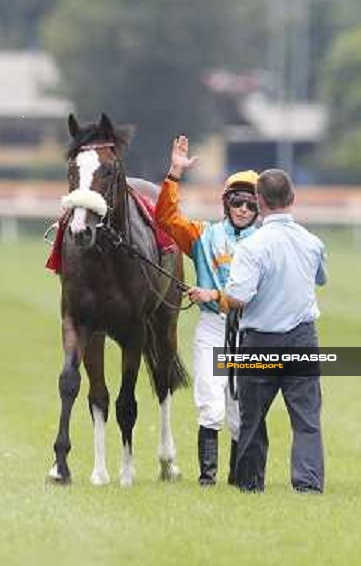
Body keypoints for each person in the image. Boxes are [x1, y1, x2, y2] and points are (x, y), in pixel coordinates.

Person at [154, 135, 259, 486]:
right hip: (214, 328)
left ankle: (238, 477)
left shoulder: (268, 243)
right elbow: (166, 218)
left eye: (250, 203)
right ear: (226, 202)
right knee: (210, 404)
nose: (243, 209)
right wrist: (174, 173)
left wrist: (213, 292)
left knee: (240, 411)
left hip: (252, 332)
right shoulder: (203, 235)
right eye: (237, 201)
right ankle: (208, 478)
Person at [222, 168, 328, 494]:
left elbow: (238, 297)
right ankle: (308, 485)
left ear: (259, 201)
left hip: (260, 339)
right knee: (306, 419)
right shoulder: (312, 242)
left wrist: (216, 296)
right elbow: (321, 278)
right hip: (303, 338)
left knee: (252, 419)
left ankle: (251, 484)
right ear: (292, 199)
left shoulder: (253, 246)